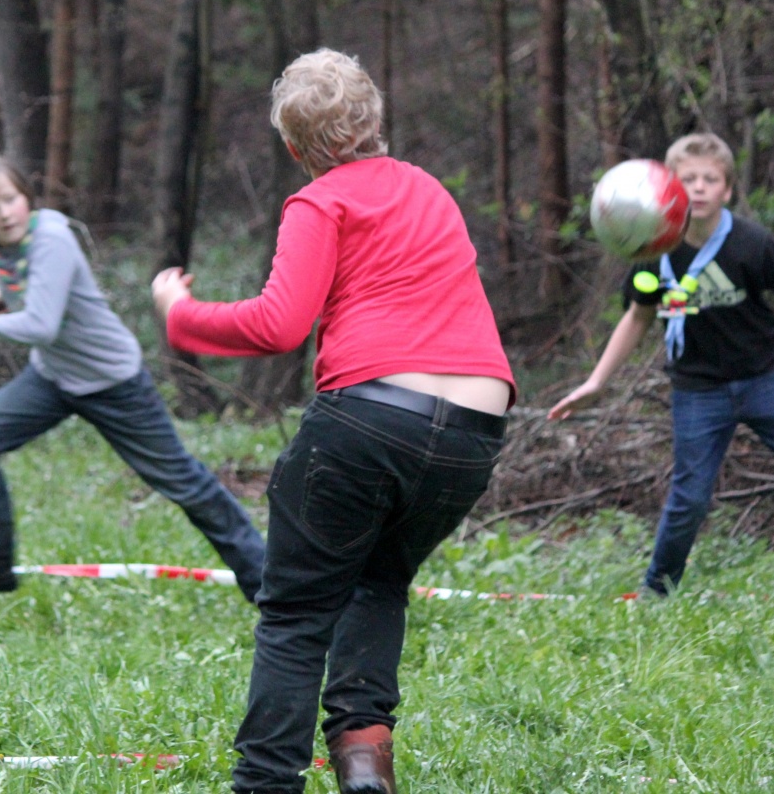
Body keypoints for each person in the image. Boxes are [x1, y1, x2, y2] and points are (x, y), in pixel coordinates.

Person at [154, 49, 514, 794]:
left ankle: (264, 783)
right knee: (378, 581)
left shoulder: (320, 202)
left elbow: (280, 325)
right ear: (376, 119)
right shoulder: (427, 190)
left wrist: (181, 316)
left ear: (294, 148)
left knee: (295, 613)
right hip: (474, 432)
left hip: (372, 419)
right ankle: (362, 764)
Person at [550, 132, 774, 596]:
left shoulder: (750, 243)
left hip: (768, 379)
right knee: (688, 501)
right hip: (698, 391)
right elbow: (637, 317)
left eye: (711, 179)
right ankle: (657, 591)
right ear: (669, 188)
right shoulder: (654, 248)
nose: (700, 187)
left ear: (728, 190)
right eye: (688, 179)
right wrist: (596, 382)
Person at [0, 154, 265, 602]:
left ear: (26, 196)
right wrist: (3, 296)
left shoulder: (52, 239)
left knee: (184, 483)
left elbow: (41, 325)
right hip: (54, 377)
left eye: (10, 199)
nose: (3, 214)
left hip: (112, 381)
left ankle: (268, 582)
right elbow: (34, 289)